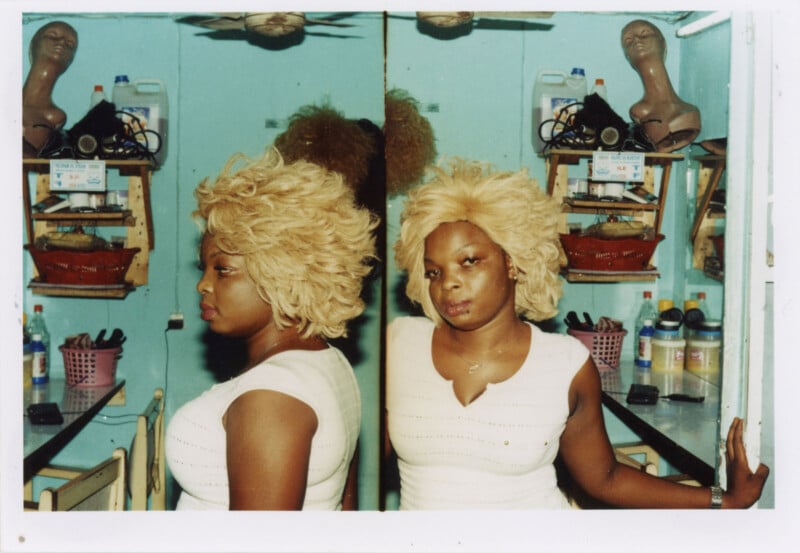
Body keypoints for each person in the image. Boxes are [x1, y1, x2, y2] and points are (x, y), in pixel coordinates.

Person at [386, 158, 769, 509]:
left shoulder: (564, 363)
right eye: (434, 271)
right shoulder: (401, 344)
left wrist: (724, 500)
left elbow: (606, 478)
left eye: (469, 262)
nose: (448, 284)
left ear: (513, 262)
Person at [165, 148, 378, 510]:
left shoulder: (271, 396)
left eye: (223, 269)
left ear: (280, 273)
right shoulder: (328, 361)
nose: (202, 285)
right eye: (204, 268)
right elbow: (345, 508)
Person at [621, 19, 701, 153]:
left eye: (644, 34)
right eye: (628, 41)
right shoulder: (638, 112)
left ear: (662, 43)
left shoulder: (689, 110)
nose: (636, 41)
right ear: (628, 57)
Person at [23, 21, 78, 157]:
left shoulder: (55, 117)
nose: (62, 43)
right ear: (32, 46)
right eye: (53, 36)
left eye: (70, 44)